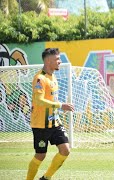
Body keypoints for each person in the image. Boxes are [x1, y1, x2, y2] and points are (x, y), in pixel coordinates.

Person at [26, 48, 74, 180]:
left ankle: (46, 178)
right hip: (40, 125)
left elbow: (50, 99)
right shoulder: (39, 78)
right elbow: (38, 100)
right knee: (41, 155)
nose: (60, 61)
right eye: (57, 59)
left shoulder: (52, 76)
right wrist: (60, 105)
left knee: (65, 150)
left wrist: (58, 108)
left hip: (54, 122)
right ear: (48, 61)